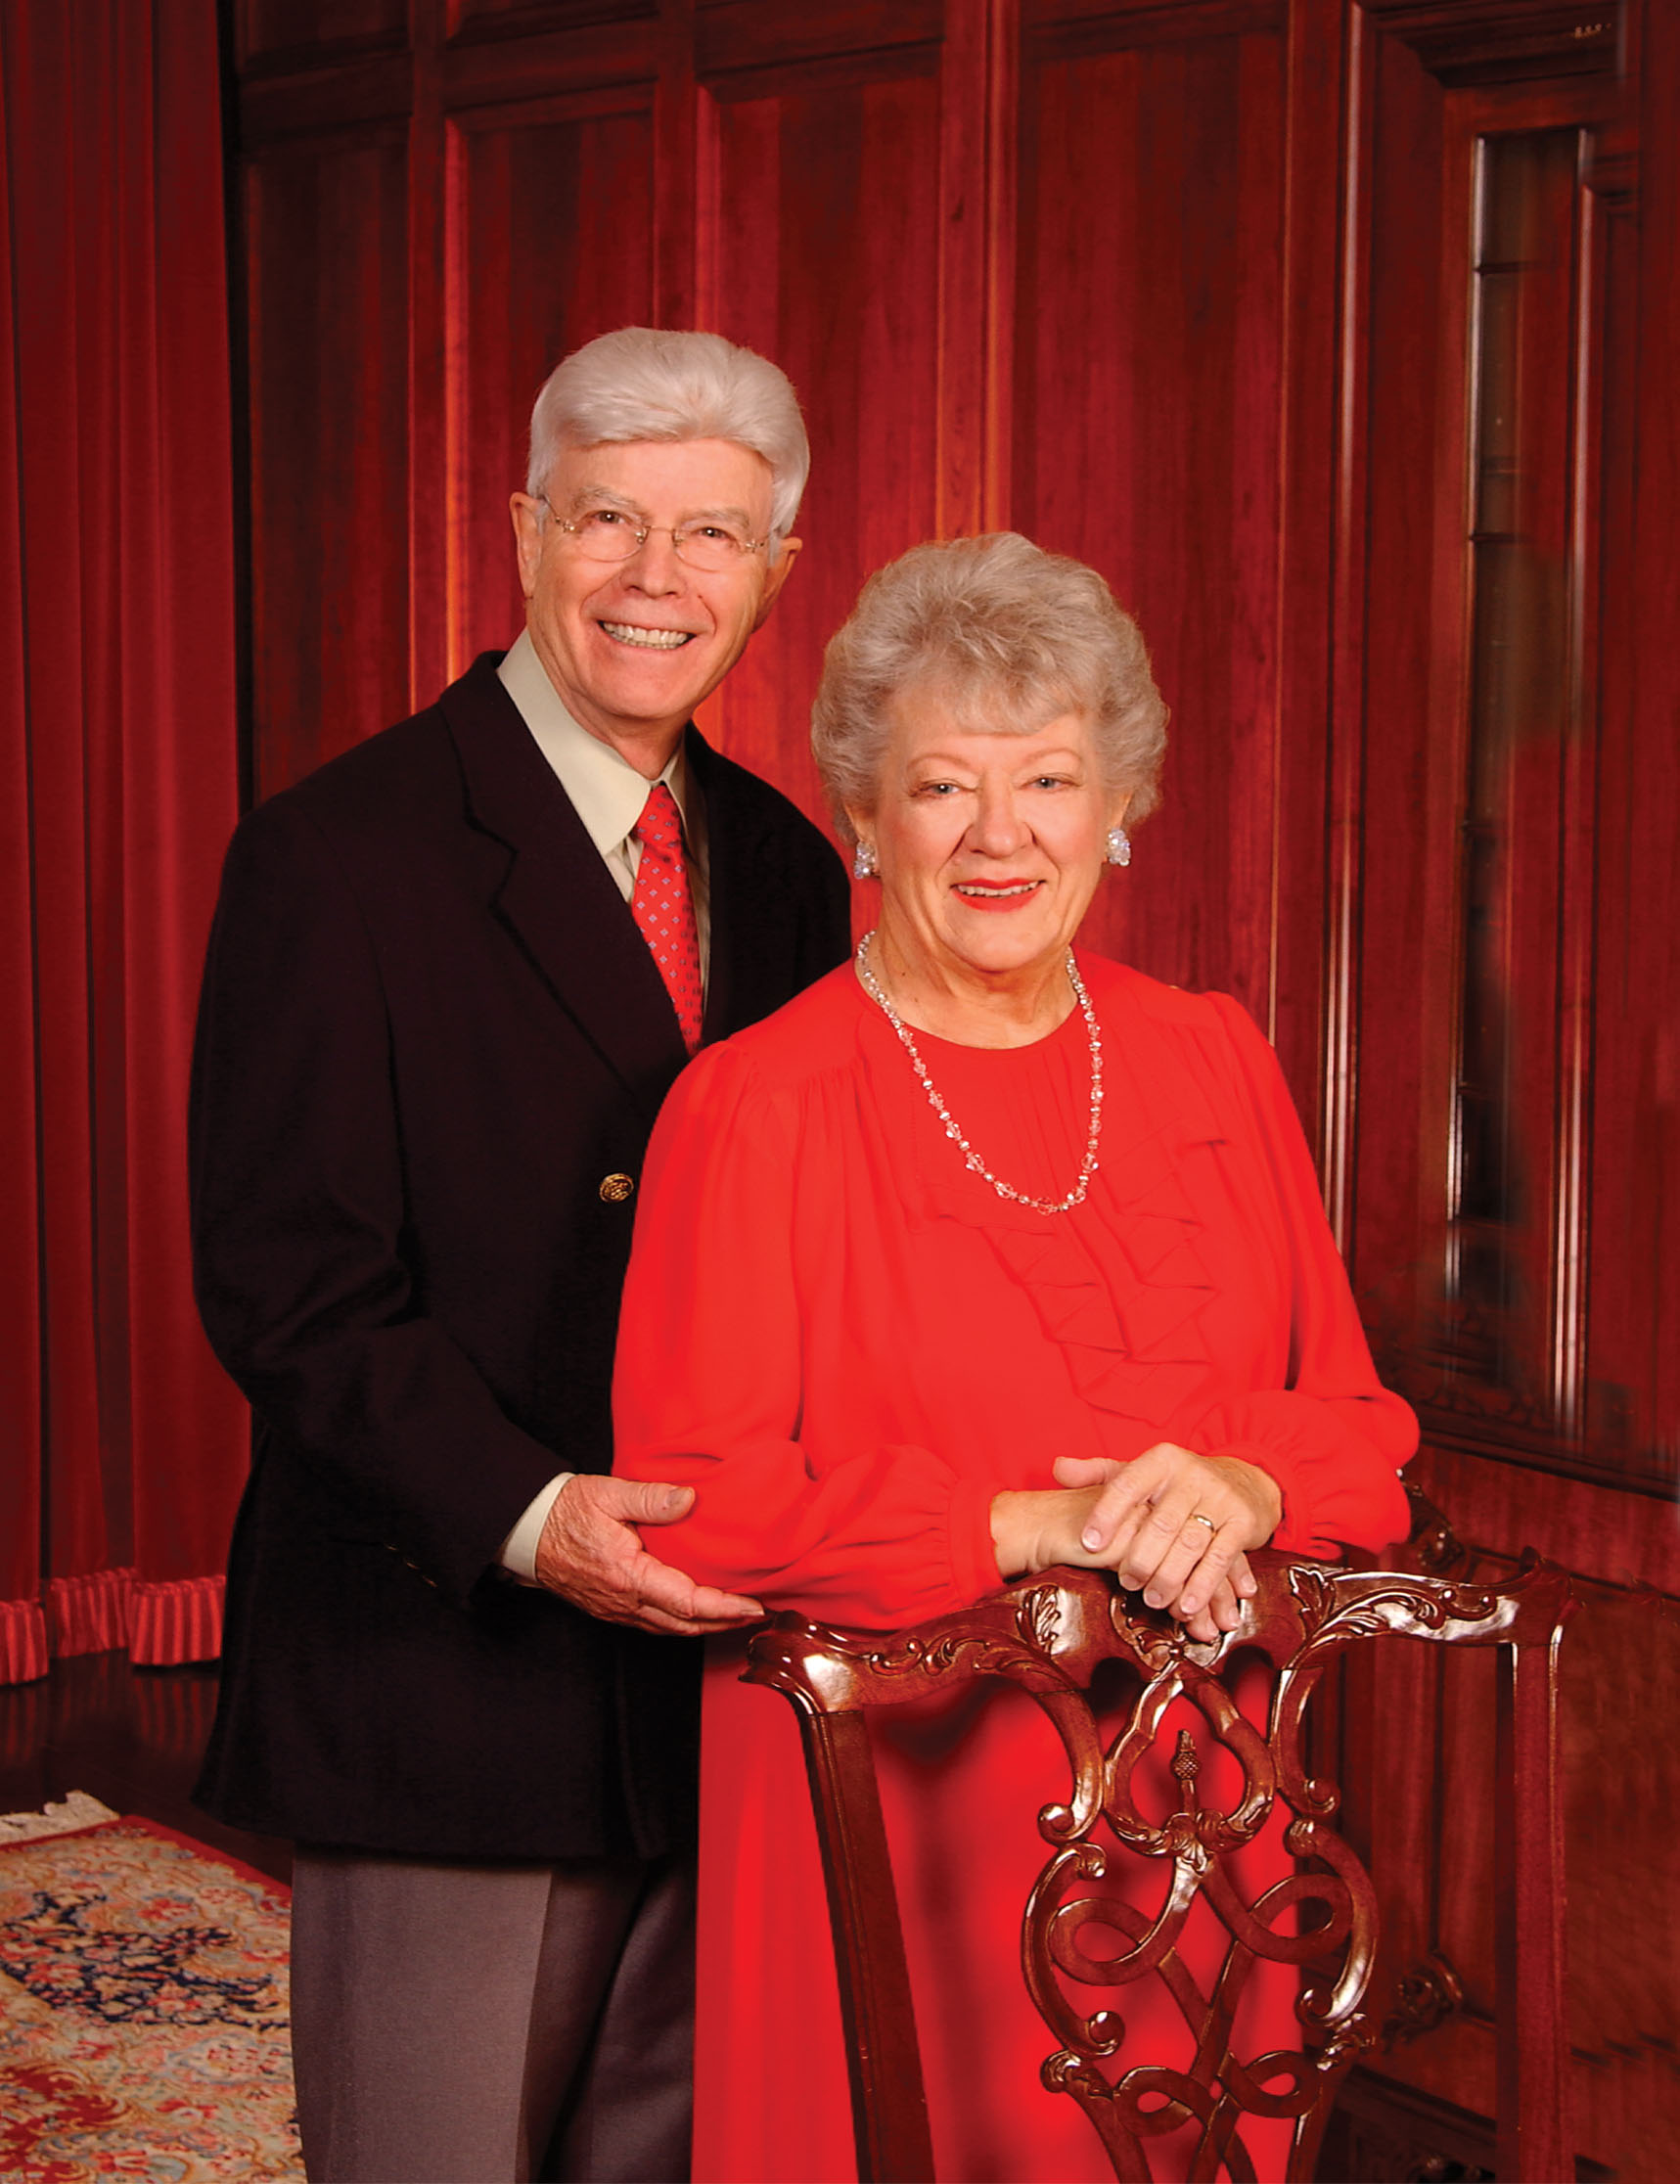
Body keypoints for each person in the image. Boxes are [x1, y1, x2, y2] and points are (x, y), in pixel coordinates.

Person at [612, 531, 1417, 2183]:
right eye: (940, 787)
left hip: (1195, 1803)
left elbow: (1358, 1429)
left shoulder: (1210, 1056)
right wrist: (1023, 1528)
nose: (1000, 835)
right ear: (862, 815)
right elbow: (694, 1504)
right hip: (891, 1814)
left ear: (1115, 805)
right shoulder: (754, 1105)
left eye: (1048, 779)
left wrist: (1240, 1479)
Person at [188, 327, 851, 2183]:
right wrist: (529, 1514)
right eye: (611, 520)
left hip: (716, 1688)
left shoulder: (794, 870)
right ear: (523, 530)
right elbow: (286, 1285)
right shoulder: (338, 852)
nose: (658, 580)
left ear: (776, 572)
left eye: (712, 536)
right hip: (447, 1661)